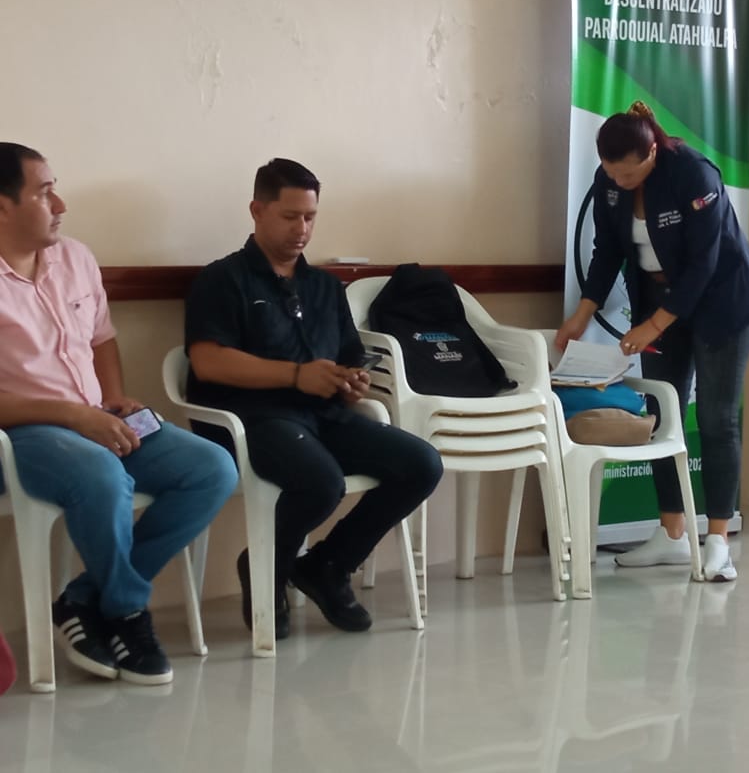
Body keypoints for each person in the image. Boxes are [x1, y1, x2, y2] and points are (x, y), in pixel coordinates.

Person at [0, 143, 239, 686]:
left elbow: (102, 337)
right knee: (102, 473)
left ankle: (86, 599)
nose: (60, 204)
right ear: (3, 206)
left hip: (94, 416)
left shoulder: (75, 258)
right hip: (22, 434)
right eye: (44, 193)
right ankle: (128, 612)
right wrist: (71, 416)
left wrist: (113, 396)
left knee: (212, 469)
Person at [184, 158, 443, 639]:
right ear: (257, 210)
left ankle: (327, 566)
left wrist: (351, 382)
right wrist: (296, 375)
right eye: (290, 216)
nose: (301, 229)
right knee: (322, 482)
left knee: (422, 464)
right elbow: (208, 362)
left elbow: (348, 355)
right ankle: (266, 566)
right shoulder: (222, 279)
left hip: (322, 417)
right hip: (252, 420)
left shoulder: (323, 286)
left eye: (310, 217)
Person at [555, 102, 749, 582]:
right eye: (612, 172)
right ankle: (671, 532)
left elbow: (703, 264)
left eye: (629, 174)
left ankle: (718, 540)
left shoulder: (694, 174)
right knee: (663, 414)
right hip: (659, 298)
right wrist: (580, 316)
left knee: (715, 418)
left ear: (652, 152)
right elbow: (607, 250)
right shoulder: (609, 181)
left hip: (721, 303)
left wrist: (652, 327)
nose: (619, 181)